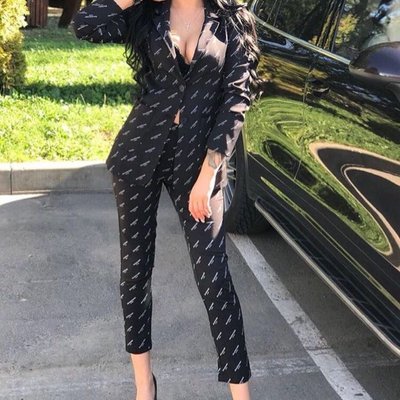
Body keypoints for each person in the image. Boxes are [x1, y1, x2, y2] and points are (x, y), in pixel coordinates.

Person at [72, 0, 261, 399]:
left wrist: (209, 173)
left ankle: (241, 396)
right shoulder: (148, 13)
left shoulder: (230, 21)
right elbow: (85, 24)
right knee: (135, 273)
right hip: (140, 152)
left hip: (198, 162)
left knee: (214, 278)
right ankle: (145, 388)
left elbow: (236, 99)